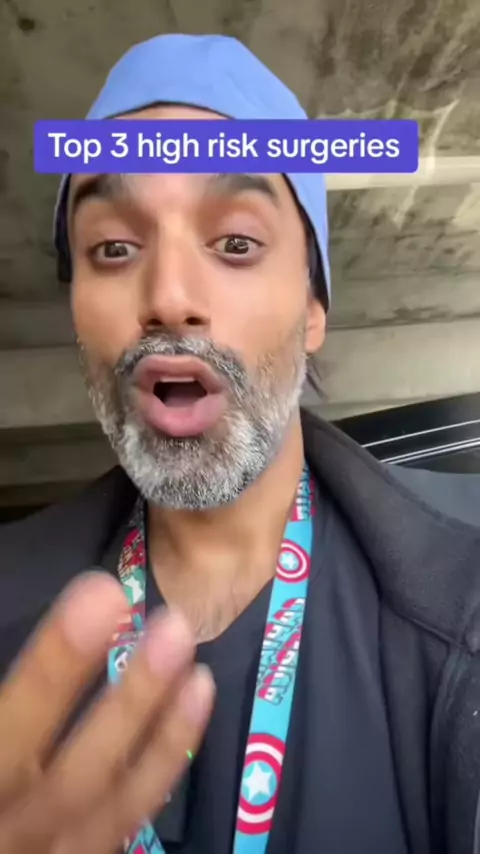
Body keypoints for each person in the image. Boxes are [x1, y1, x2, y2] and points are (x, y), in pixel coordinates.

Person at [1, 32, 480, 854]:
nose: (169, 297)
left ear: (314, 310)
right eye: (114, 249)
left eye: (235, 244)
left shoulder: (464, 589)